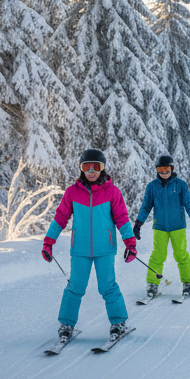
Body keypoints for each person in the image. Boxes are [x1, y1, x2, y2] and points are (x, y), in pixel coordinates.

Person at [41, 148, 137, 346]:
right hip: (81, 249)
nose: (91, 171)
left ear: (102, 169)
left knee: (107, 286)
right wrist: (49, 241)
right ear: (81, 169)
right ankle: (67, 325)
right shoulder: (72, 193)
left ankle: (118, 322)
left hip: (105, 248)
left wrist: (130, 242)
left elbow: (122, 218)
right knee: (75, 286)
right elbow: (60, 218)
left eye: (96, 167)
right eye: (87, 166)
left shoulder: (112, 192)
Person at [132, 154, 190, 300]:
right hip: (160, 226)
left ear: (172, 169)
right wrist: (138, 224)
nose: (164, 173)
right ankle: (152, 284)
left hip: (178, 226)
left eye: (166, 169)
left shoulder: (180, 185)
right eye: (161, 170)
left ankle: (188, 282)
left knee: (181, 254)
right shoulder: (152, 187)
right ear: (157, 170)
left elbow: (189, 204)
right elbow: (146, 206)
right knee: (158, 255)